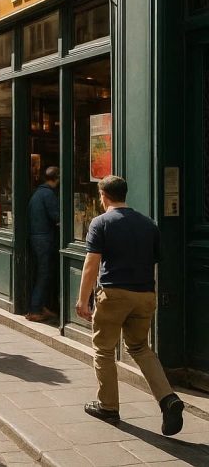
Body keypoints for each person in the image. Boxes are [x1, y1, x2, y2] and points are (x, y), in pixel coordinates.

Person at [75, 175, 185, 435]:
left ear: (104, 196)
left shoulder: (100, 223)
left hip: (114, 294)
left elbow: (91, 263)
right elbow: (155, 261)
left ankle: (108, 407)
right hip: (145, 295)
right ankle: (168, 399)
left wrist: (82, 299)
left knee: (103, 350)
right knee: (139, 347)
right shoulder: (149, 224)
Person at [27, 167, 60, 322]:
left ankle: (41, 306)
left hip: (36, 237)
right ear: (57, 179)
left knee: (42, 272)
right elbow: (57, 217)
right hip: (45, 239)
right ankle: (35, 309)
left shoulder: (38, 193)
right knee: (44, 273)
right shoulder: (48, 194)